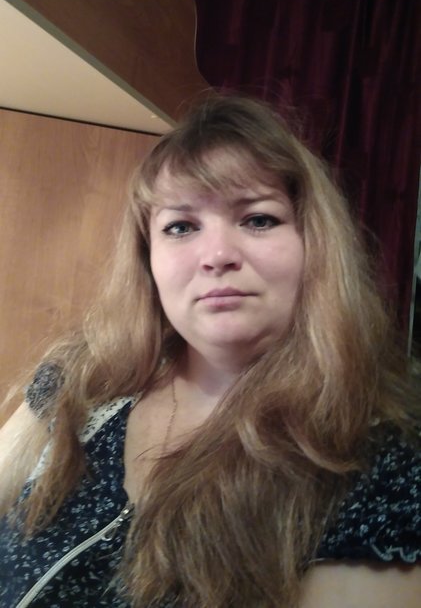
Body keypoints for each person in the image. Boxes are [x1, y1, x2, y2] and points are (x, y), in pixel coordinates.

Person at [0, 94, 420, 608]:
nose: (218, 255)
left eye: (258, 219)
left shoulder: (376, 465)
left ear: (314, 245)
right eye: (180, 227)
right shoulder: (81, 376)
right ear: (148, 260)